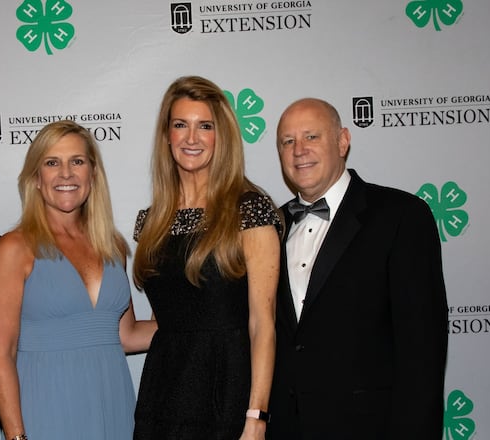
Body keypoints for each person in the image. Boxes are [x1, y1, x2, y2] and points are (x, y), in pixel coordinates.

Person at [268, 98, 448, 439]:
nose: (299, 151)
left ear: (343, 140)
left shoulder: (401, 216)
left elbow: (422, 351)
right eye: (287, 141)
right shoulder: (270, 228)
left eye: (311, 137)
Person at [132, 75, 282, 439]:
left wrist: (256, 416)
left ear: (222, 136)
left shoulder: (249, 210)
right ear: (167, 135)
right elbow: (167, 316)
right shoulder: (151, 222)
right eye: (180, 125)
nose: (191, 138)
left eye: (205, 126)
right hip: (163, 390)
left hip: (226, 391)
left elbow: (263, 324)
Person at [0, 120, 156, 440]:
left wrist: (193, 319)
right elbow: (1, 354)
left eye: (77, 161)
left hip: (113, 405)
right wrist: (16, 436)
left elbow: (126, 335)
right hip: (46, 408)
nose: (66, 173)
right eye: (52, 163)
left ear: (93, 174)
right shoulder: (16, 248)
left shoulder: (113, 247)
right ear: (36, 178)